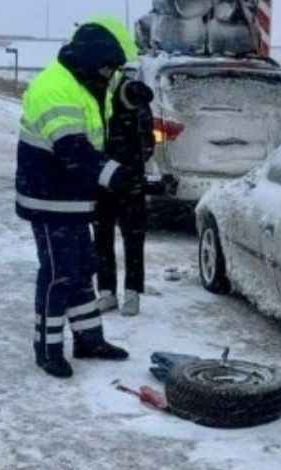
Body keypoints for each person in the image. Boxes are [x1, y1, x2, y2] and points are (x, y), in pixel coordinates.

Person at [15, 16, 140, 379]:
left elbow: (104, 118)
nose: (110, 74)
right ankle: (48, 349)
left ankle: (88, 339)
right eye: (106, 67)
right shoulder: (55, 88)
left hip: (72, 197)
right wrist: (116, 177)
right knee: (58, 274)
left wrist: (132, 101)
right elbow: (74, 150)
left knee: (82, 268)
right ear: (90, 60)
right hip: (49, 198)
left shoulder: (82, 79)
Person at [95, 77, 157, 316]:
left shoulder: (139, 100)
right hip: (101, 178)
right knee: (102, 236)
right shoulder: (102, 98)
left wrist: (137, 161)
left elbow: (149, 141)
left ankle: (132, 292)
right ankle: (106, 292)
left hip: (132, 180)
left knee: (133, 237)